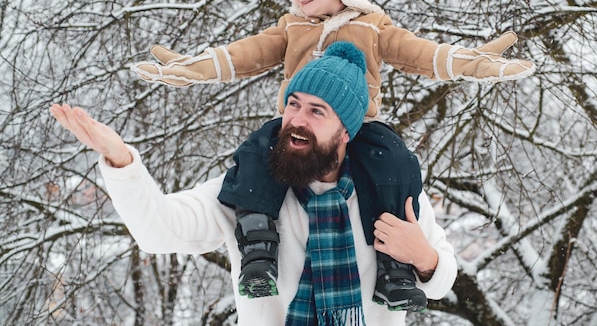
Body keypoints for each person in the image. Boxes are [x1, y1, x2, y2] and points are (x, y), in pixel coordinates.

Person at [131, 0, 534, 310]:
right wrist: (193, 68)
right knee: (254, 156)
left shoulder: (372, 27)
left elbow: (423, 55)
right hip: (296, 130)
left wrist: (474, 64)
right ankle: (257, 240)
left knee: (395, 165)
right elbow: (243, 55)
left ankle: (394, 267)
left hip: (362, 127)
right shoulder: (291, 28)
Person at [49, 43, 457, 325]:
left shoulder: (389, 194)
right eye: (294, 104)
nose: (297, 119)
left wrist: (424, 256)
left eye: (318, 111)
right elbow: (160, 230)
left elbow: (441, 279)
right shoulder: (249, 194)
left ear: (345, 132)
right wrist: (121, 160)